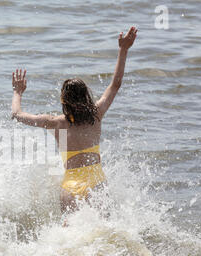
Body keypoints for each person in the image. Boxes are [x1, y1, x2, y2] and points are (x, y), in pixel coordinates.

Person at [11, 26, 138, 214]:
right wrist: (123, 49)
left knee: (68, 231)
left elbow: (17, 115)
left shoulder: (54, 122)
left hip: (71, 185)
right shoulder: (96, 115)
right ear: (86, 95)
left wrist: (17, 92)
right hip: (96, 182)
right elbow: (115, 84)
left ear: (64, 100)